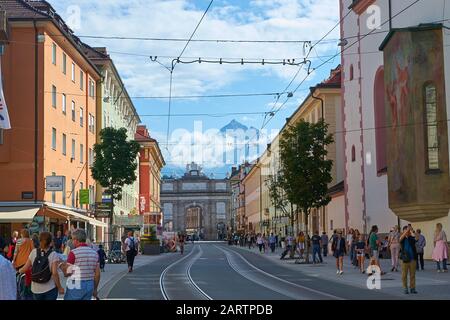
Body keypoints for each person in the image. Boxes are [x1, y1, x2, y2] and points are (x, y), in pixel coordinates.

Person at [18, 232, 64, 300]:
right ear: (51, 242)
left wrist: (18, 271)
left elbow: (25, 268)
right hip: (50, 288)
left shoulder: (34, 252)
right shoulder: (53, 254)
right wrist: (60, 287)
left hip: (36, 289)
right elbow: (54, 273)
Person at [62, 229, 100, 300]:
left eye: (73, 240)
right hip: (89, 284)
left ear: (76, 240)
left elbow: (67, 273)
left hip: (75, 284)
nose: (72, 242)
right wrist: (95, 289)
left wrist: (62, 267)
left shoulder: (73, 253)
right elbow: (97, 274)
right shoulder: (94, 253)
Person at [400, 225, 418, 294]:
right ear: (403, 231)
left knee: (412, 274)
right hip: (404, 259)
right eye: (406, 230)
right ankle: (405, 288)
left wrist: (413, 231)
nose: (407, 231)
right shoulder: (402, 238)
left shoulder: (411, 238)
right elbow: (400, 238)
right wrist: (407, 230)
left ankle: (412, 288)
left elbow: (417, 238)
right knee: (404, 275)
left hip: (413, 258)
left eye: (408, 230)